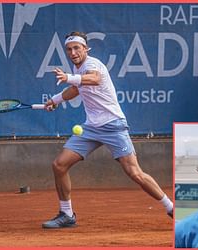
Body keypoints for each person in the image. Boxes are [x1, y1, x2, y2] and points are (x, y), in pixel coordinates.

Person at [41, 31, 173, 228]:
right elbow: (77, 88)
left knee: (135, 173)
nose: (73, 52)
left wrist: (69, 77)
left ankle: (171, 207)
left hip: (113, 125)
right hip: (91, 127)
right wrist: (56, 100)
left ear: (86, 49)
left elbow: (93, 79)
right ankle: (67, 214)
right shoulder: (79, 69)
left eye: (77, 48)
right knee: (59, 165)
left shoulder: (92, 64)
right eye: (69, 49)